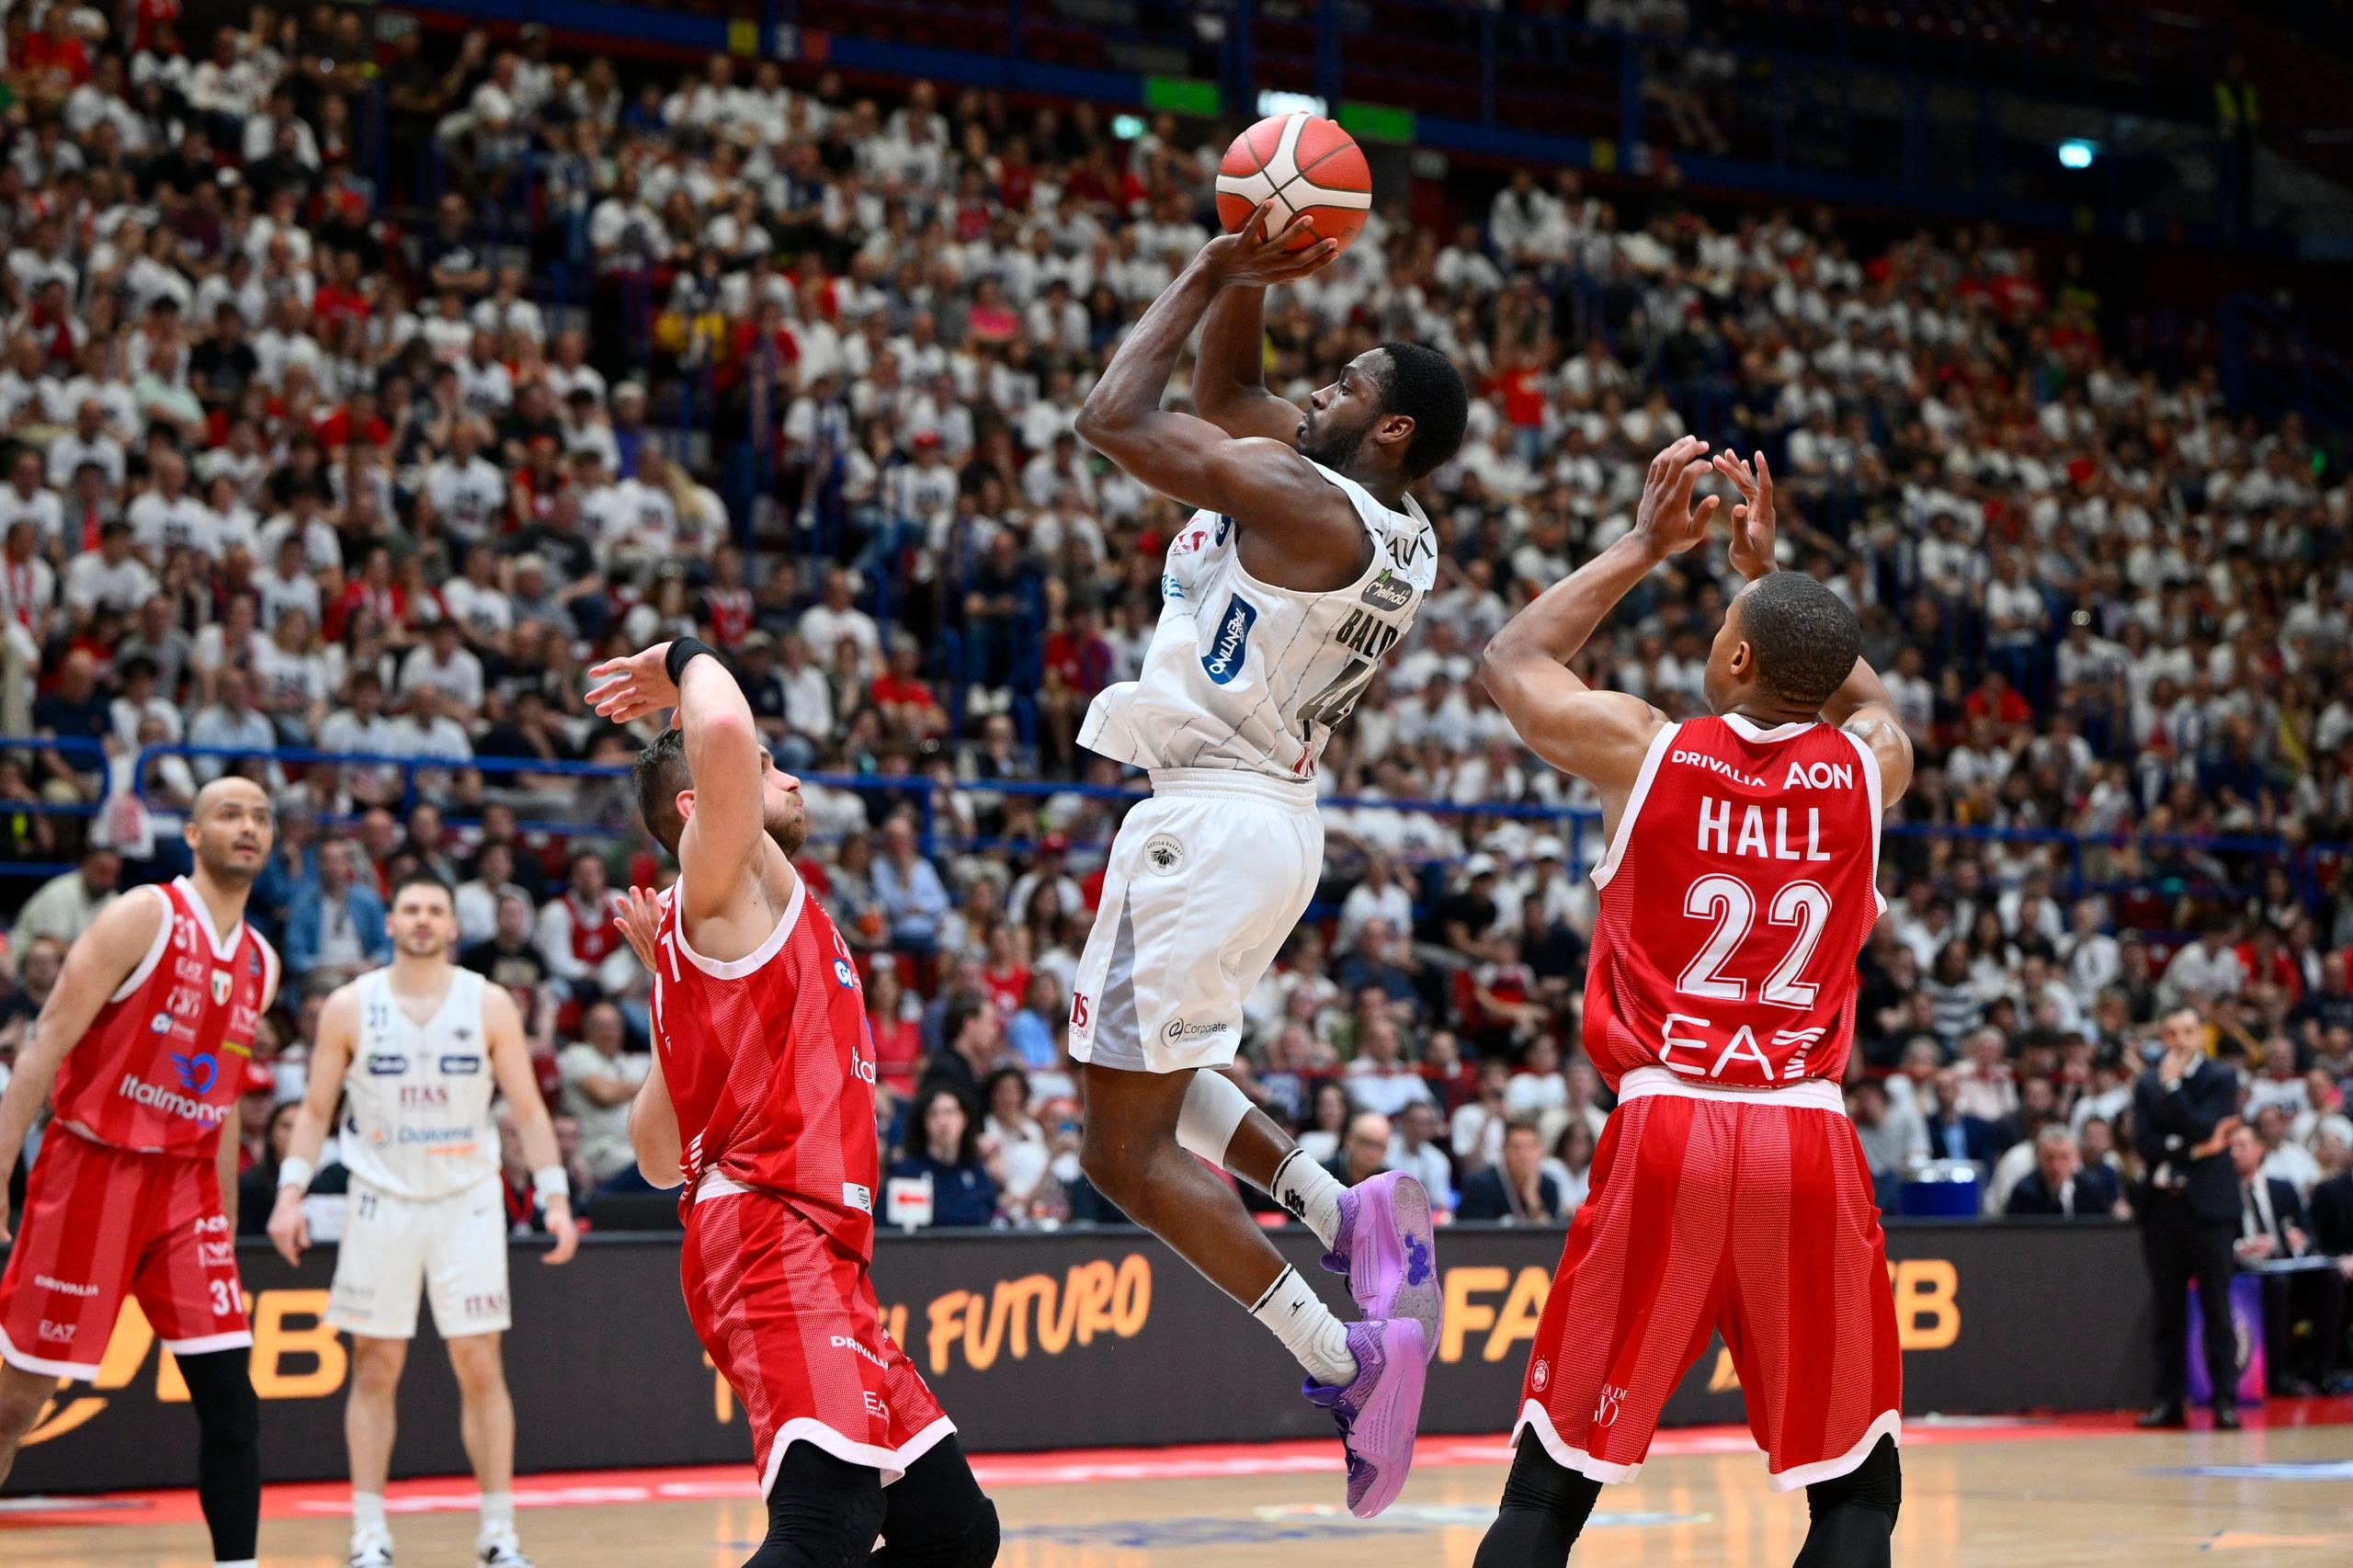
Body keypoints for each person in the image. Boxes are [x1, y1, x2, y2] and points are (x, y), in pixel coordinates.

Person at [1062, 200, 1471, 1517]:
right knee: (1161, 1075)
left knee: (1119, 1151)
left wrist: (1195, 268)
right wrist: (1249, 265)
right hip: (1269, 819)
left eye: (1345, 383)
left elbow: (1111, 419)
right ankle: (1338, 1202)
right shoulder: (1389, 519)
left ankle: (1344, 1353)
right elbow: (1235, 388)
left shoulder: (1305, 498)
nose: (1314, 386)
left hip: (1209, 816)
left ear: (1390, 426)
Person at [1470, 442, 1913, 1566]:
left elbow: (1513, 656)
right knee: (1856, 1493)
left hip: (1668, 1118)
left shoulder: (1645, 749)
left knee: (1549, 1483)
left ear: (1734, 656)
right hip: (1806, 1128)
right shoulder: (1870, 768)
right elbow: (1867, 697)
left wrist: (1643, 543)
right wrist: (1772, 577)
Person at [588, 636, 997, 1568]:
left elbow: (658, 1158)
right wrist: (687, 657)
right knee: (828, 1519)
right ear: (699, 806)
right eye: (770, 769)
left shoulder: (724, 935)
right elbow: (723, 725)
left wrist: (675, 1008)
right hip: (772, 1232)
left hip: (821, 1247)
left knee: (953, 1527)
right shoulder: (722, 875)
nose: (791, 776)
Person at [0, 778, 280, 1568]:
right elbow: (45, 1042)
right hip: (92, 1170)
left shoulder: (262, 960)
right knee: (16, 1401)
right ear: (192, 834)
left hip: (186, 1190)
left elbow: (221, 1100)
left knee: (233, 1405)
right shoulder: (144, 916)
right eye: (229, 814)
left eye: (261, 817)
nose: (248, 827)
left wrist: (222, 1216)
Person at [267, 872, 579, 1568]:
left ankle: (499, 1533)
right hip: (379, 1201)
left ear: (451, 926)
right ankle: (368, 1533)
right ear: (391, 922)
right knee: (375, 1367)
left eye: (435, 909)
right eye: (410, 908)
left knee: (480, 1366)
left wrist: (555, 1196)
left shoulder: (489, 1002)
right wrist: (291, 1194)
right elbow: (315, 1111)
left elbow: (527, 1109)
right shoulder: (350, 1005)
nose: (422, 919)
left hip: (467, 1201)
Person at [2131, 1004, 2244, 1429]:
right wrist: (2193, 1150)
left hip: (2210, 1210)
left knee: (2217, 1305)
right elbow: (2145, 1142)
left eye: (2187, 1032)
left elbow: (2205, 1125)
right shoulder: (2145, 1084)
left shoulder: (2220, 1078)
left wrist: (2175, 1091)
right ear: (2163, 1038)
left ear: (2200, 1036)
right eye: (2172, 1033)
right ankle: (2167, 1401)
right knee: (2167, 1308)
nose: (2179, 1041)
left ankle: (2224, 1400)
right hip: (2163, 1208)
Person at [888, 1086, 1001, 1227]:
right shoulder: (908, 1172)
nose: (943, 1121)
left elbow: (991, 1215)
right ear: (924, 1122)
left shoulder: (975, 1170)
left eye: (950, 1112)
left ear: (964, 1119)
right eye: (934, 1114)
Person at [1458, 1118, 1563, 1225]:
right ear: (1504, 1150)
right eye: (1516, 1148)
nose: (1524, 1155)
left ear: (1541, 1151)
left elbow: (1549, 1239)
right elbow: (1472, 1237)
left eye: (1531, 1147)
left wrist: (1532, 1198)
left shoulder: (1549, 1186)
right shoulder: (1481, 1185)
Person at [2004, 1125, 2120, 1218]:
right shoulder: (2024, 1193)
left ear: (2076, 1158)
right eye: (2049, 1158)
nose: (2056, 1166)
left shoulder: (2091, 1190)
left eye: (2064, 1157)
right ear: (2038, 1158)